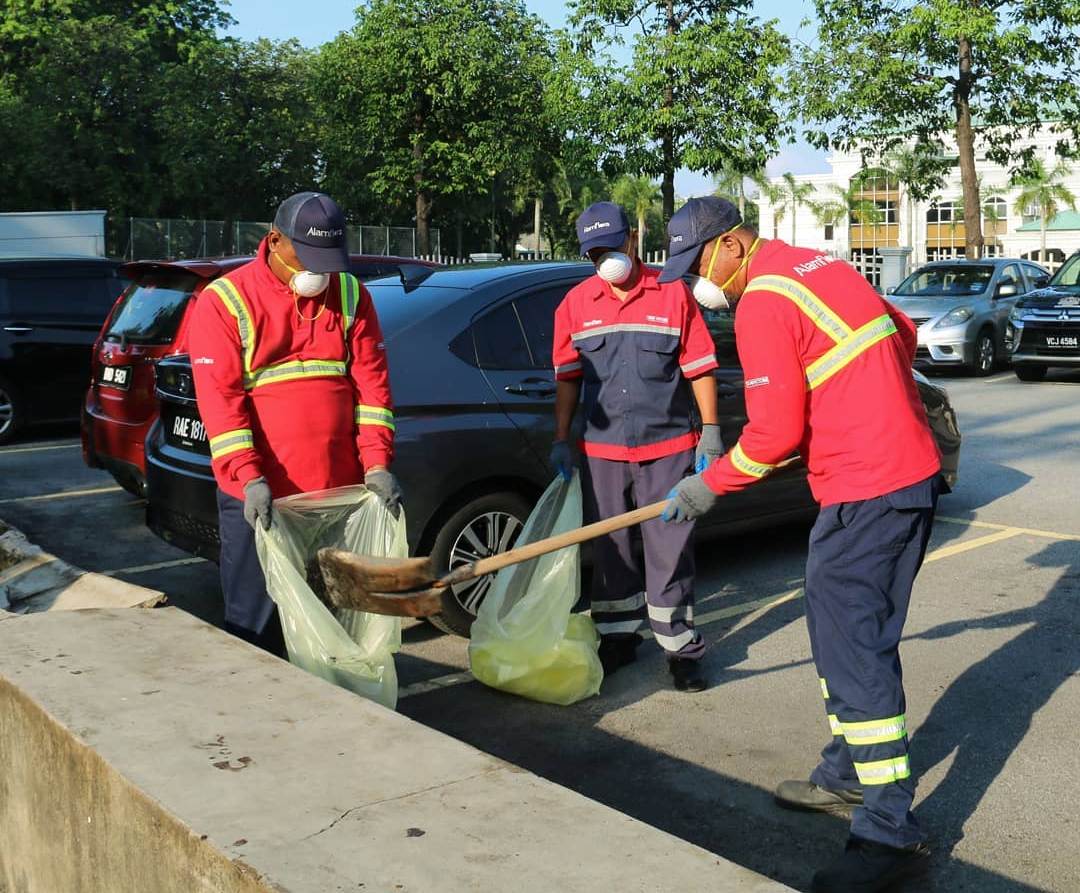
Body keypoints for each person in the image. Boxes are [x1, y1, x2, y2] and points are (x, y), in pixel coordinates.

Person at [658, 196, 942, 891]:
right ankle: (848, 772)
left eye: (696, 262)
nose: (696, 280)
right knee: (844, 627)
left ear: (730, 244)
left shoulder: (760, 299)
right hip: (907, 473)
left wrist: (709, 486)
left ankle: (887, 828)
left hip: (866, 486)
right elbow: (898, 334)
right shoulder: (817, 264)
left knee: (854, 645)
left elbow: (774, 432)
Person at [188, 192, 402, 654]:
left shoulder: (349, 294)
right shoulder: (225, 301)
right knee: (256, 626)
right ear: (274, 242)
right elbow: (221, 404)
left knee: (336, 620)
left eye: (327, 260)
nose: (318, 273)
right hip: (263, 499)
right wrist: (248, 477)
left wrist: (377, 464)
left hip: (336, 496)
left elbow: (373, 390)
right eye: (307, 258)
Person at [550, 201, 722, 692]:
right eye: (595, 252)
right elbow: (568, 379)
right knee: (612, 550)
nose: (606, 259)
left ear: (632, 239)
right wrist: (561, 438)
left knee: (671, 549)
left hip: (667, 448)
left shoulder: (673, 295)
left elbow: (701, 367)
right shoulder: (576, 304)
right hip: (603, 453)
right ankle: (618, 637)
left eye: (611, 246)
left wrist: (710, 431)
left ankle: (680, 649)